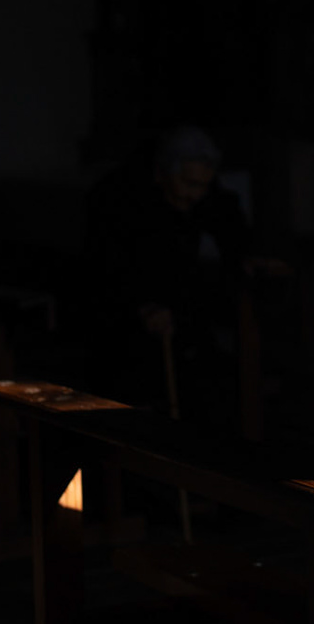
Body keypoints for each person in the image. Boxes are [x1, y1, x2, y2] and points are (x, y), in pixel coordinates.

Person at [82, 125, 248, 411]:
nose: (195, 195)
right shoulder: (118, 197)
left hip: (178, 314)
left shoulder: (200, 194)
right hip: (122, 315)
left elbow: (231, 223)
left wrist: (253, 255)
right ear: (162, 173)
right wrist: (142, 306)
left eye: (203, 186)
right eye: (188, 184)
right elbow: (108, 265)